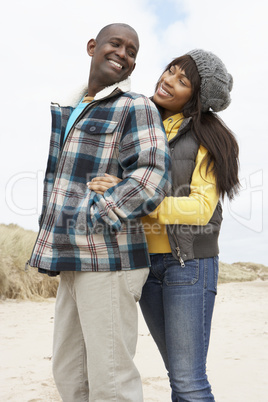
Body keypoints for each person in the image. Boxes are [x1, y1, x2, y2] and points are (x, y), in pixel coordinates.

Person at [27, 23, 171, 401]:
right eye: (116, 44)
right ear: (93, 47)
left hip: (111, 258)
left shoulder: (134, 105)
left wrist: (102, 209)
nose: (124, 53)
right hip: (71, 256)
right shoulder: (70, 108)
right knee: (69, 374)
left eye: (132, 51)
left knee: (111, 381)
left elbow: (153, 173)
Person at [89, 49, 240, 401]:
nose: (167, 80)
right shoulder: (142, 124)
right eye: (170, 71)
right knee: (178, 373)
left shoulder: (211, 139)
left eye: (182, 80)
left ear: (198, 98)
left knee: (188, 381)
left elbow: (201, 208)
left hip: (188, 265)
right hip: (143, 264)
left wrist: (135, 200)